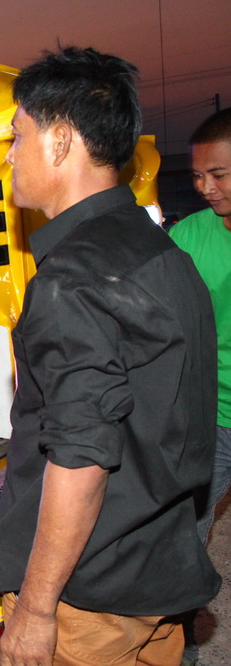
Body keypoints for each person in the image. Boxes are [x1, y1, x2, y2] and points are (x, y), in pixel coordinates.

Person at [0, 46, 220, 666]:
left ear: (60, 141)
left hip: (91, 595)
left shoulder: (72, 278)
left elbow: (80, 460)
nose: (10, 155)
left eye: (17, 135)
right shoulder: (159, 249)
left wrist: (36, 608)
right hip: (158, 568)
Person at [168, 107, 231, 666]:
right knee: (186, 537)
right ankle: (179, 652)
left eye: (220, 174)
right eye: (198, 176)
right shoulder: (188, 236)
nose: (206, 187)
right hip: (213, 416)